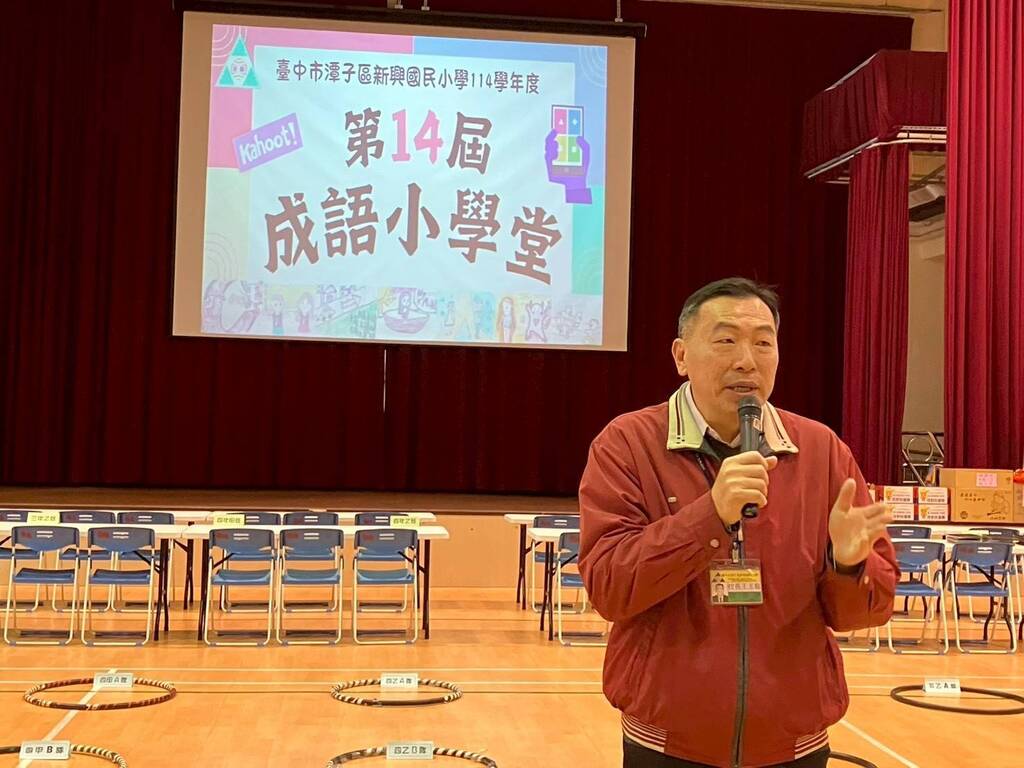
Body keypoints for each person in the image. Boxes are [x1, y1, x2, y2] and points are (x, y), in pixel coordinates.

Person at [578, 277, 897, 768]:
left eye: (763, 343)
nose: (747, 360)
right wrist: (711, 515)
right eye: (726, 340)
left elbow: (863, 614)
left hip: (794, 741)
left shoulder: (822, 451)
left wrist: (850, 565)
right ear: (681, 355)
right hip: (667, 741)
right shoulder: (628, 443)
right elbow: (609, 587)